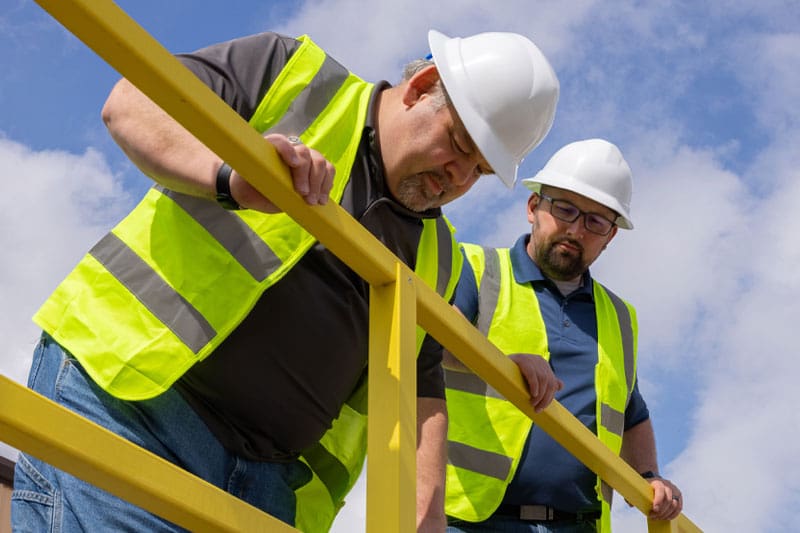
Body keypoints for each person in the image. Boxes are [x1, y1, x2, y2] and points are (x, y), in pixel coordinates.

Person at [11, 28, 559, 533]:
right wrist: (229, 176)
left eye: (479, 172)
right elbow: (133, 104)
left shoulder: (439, 254)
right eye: (460, 145)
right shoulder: (293, 75)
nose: (458, 177)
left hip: (267, 487)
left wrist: (426, 516)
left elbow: (421, 382)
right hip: (131, 408)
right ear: (421, 87)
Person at [443, 139, 683, 532]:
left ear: (610, 237)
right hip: (470, 520)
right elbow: (430, 343)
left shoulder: (619, 318)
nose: (575, 229)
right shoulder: (477, 268)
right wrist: (501, 365)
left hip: (577, 526)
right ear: (533, 208)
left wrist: (648, 476)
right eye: (565, 209)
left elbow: (631, 413)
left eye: (596, 222)